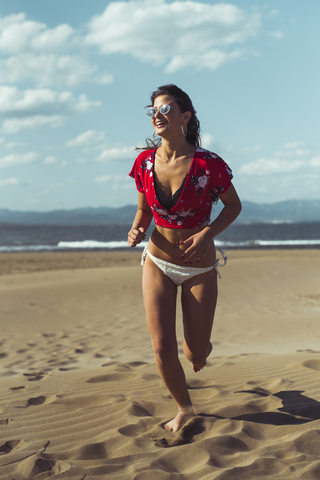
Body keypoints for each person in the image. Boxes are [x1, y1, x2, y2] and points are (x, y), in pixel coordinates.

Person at [127, 84, 241, 432]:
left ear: (185, 116)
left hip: (199, 266)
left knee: (195, 354)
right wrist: (136, 229)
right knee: (162, 346)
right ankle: (184, 408)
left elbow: (234, 206)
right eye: (153, 111)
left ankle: (201, 346)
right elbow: (144, 209)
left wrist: (208, 232)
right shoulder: (144, 163)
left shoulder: (209, 165)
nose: (157, 116)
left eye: (165, 109)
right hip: (158, 260)